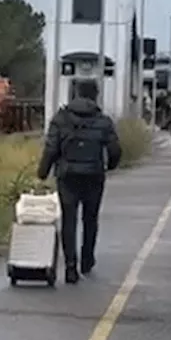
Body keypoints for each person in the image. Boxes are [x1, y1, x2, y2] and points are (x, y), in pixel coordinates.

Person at [37, 78, 122, 284]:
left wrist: (42, 172)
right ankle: (87, 260)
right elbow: (115, 150)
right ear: (95, 95)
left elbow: (51, 148)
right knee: (90, 219)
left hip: (67, 176)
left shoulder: (60, 119)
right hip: (94, 176)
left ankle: (70, 267)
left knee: (69, 220)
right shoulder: (103, 120)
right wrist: (109, 166)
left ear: (75, 93)